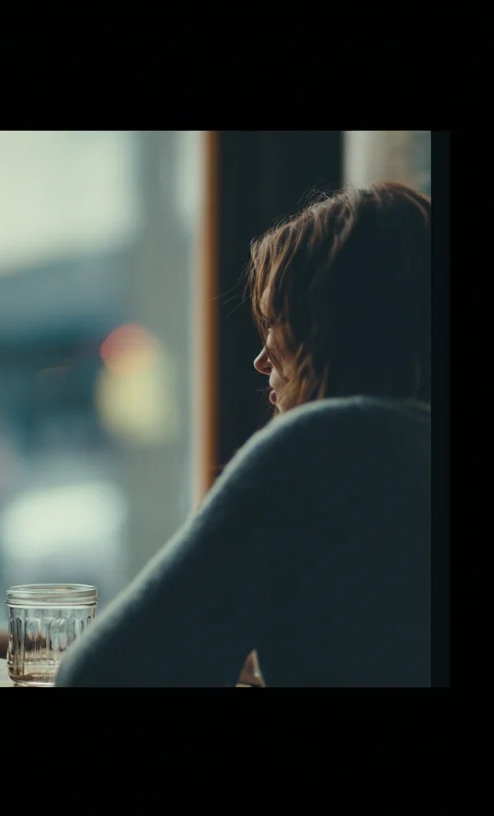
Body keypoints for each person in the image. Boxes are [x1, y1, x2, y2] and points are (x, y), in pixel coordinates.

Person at [55, 181, 433, 687]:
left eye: (278, 322)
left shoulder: (324, 443)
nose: (261, 361)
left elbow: (98, 675)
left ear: (332, 328)